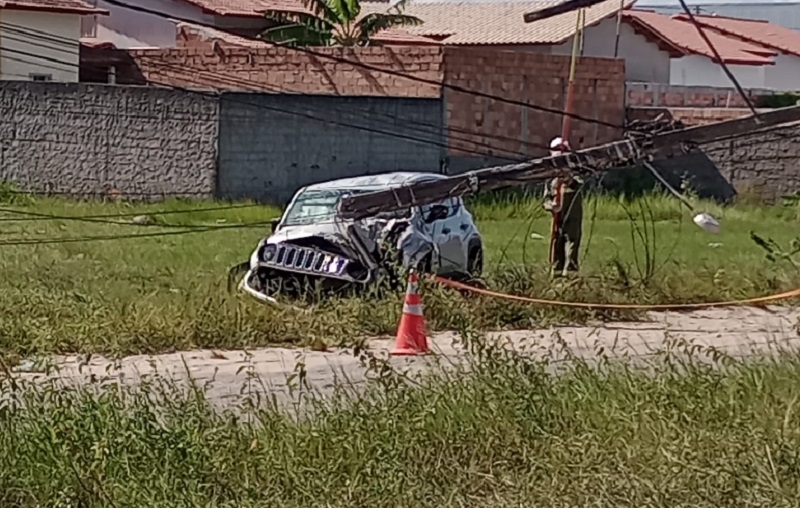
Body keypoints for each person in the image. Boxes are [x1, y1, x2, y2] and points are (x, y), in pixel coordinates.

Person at [543, 136, 583, 277]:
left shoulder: (575, 172)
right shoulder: (550, 178)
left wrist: (568, 179)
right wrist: (551, 206)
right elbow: (546, 200)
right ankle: (556, 274)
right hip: (557, 219)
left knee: (571, 245)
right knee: (556, 245)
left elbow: (577, 186)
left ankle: (571, 276)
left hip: (573, 218)